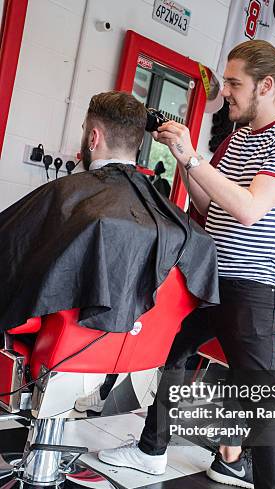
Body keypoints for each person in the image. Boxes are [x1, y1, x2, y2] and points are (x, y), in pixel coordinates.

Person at [97, 39, 275, 489]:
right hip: (209, 277)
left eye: (235, 85)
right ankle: (152, 449)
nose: (226, 94)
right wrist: (183, 157)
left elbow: (248, 208)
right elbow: (210, 206)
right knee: (170, 348)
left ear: (267, 86)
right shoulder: (241, 136)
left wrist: (196, 157)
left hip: (255, 289)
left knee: (260, 406)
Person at [0, 91, 219, 334]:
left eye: (85, 129)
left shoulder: (76, 205)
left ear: (93, 138)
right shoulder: (179, 229)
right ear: (139, 143)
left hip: (58, 343)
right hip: (138, 354)